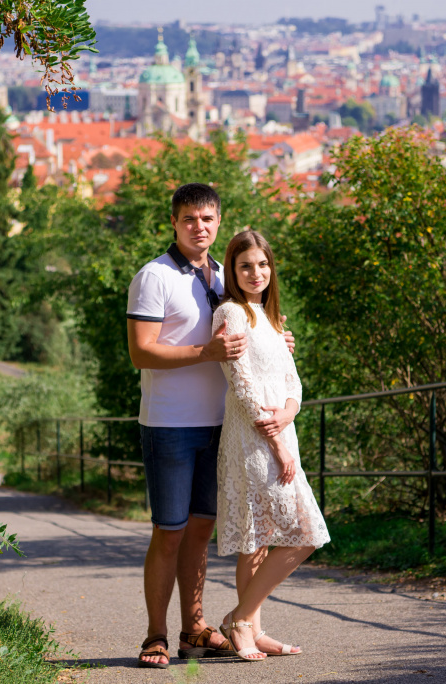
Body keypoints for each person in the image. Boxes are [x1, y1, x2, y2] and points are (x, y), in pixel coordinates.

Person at [127, 184, 295, 668]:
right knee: (169, 532)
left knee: (202, 531)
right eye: (189, 218)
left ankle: (193, 629)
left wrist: (276, 341)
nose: (198, 226)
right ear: (174, 222)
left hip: (223, 425)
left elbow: (248, 330)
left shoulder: (227, 274)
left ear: (219, 221)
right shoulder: (154, 276)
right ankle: (155, 635)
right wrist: (207, 352)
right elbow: (141, 352)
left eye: (207, 218)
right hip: (169, 424)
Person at [212, 230, 330, 662]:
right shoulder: (231, 313)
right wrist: (278, 443)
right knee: (286, 535)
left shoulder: (273, 318)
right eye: (245, 266)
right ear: (232, 270)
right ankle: (243, 621)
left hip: (281, 432)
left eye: (262, 264)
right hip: (253, 438)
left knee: (264, 538)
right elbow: (242, 385)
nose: (256, 272)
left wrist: (289, 414)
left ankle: (248, 625)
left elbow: (292, 383)